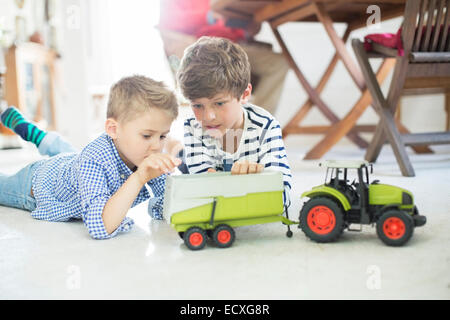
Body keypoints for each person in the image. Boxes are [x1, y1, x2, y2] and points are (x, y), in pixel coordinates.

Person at [0, 75, 181, 239]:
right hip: (38, 182)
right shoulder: (93, 159)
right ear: (113, 129)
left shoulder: (144, 151)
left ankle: (37, 135)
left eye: (163, 136)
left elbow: (164, 207)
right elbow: (100, 226)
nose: (157, 145)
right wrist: (139, 177)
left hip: (72, 163)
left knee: (72, 155)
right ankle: (30, 131)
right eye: (147, 136)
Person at [177, 36, 292, 207]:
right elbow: (201, 189)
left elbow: (282, 193)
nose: (208, 117)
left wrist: (258, 177)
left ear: (244, 95)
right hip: (193, 162)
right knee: (180, 165)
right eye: (197, 105)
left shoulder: (267, 127)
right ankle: (175, 148)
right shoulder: (193, 126)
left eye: (219, 103)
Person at [158, 0, 289, 115]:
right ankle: (226, 132)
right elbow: (170, 20)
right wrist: (206, 16)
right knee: (216, 69)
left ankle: (255, 127)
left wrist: (246, 28)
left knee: (279, 63)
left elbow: (238, 30)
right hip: (197, 44)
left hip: (233, 45)